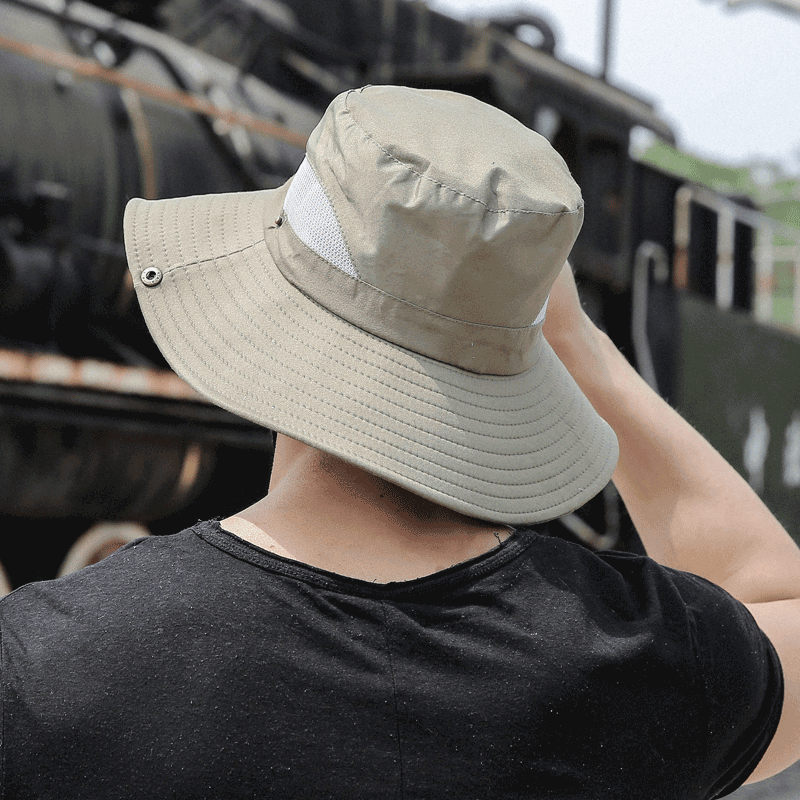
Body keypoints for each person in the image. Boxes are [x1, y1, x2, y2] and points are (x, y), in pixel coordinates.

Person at [0, 84, 797, 799]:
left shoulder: (42, 668)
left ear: (272, 312)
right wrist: (576, 341)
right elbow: (776, 593)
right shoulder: (645, 661)